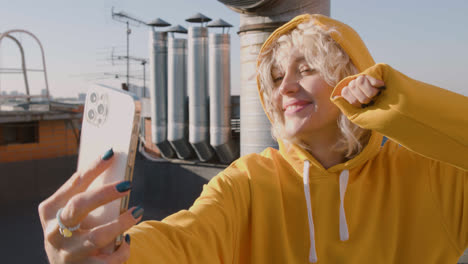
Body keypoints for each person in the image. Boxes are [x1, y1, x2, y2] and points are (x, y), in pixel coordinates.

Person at [39, 14, 468, 263]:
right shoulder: (248, 181)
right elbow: (184, 242)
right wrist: (111, 255)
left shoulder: (429, 173)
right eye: (278, 77)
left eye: (307, 68)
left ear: (353, 73)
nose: (286, 89)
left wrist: (401, 106)